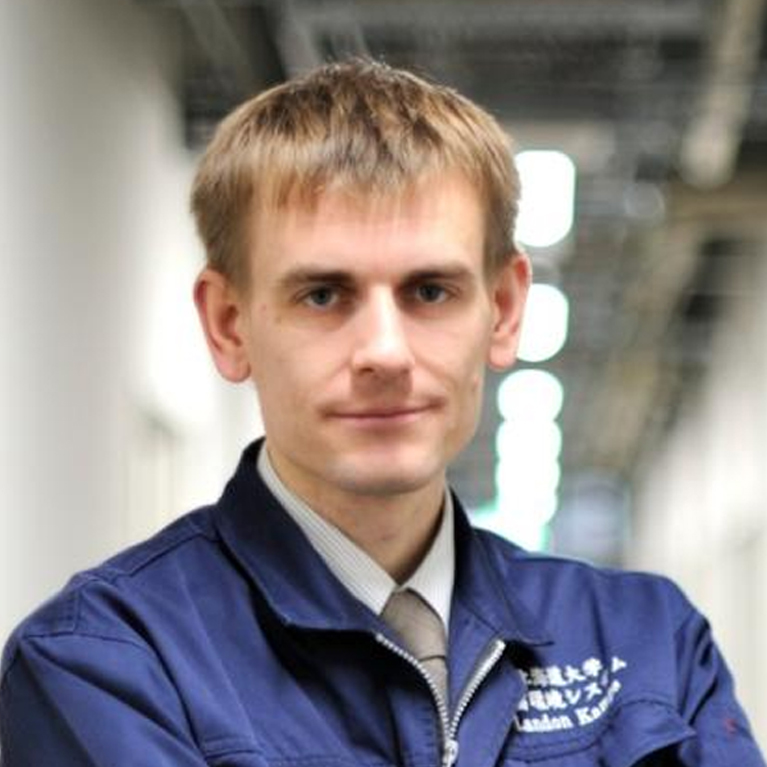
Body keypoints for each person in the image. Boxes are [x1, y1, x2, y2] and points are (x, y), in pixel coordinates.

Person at [0, 60, 763, 767]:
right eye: (322, 294)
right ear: (229, 325)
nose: (384, 352)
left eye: (429, 291)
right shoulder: (108, 662)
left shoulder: (646, 642)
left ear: (502, 310)